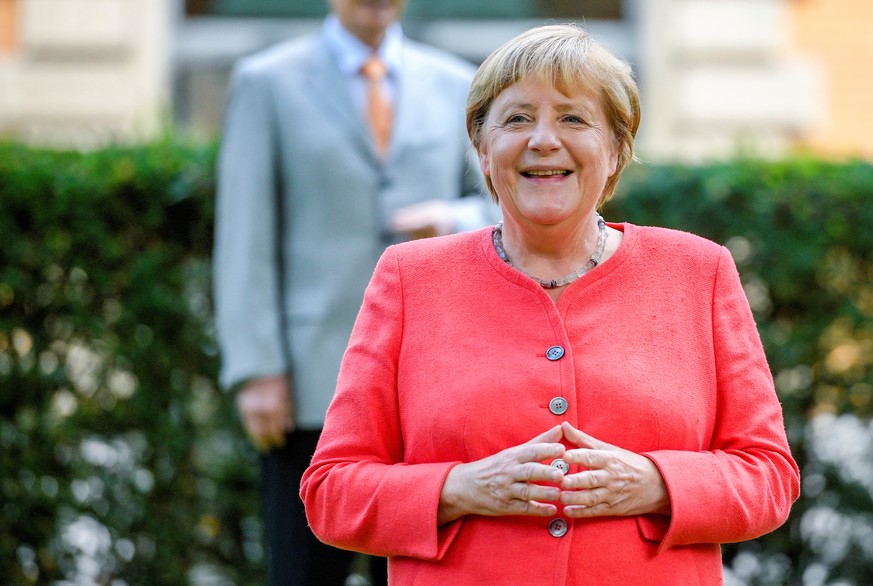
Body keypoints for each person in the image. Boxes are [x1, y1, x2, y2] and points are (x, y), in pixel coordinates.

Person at [300, 23, 801, 584]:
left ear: (616, 151)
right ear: (483, 151)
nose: (543, 139)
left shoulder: (698, 271)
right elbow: (331, 492)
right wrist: (460, 488)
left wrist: (656, 483)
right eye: (516, 119)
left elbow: (768, 477)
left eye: (573, 118)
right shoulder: (409, 277)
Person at [212, 0, 495, 584]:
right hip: (311, 378)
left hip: (434, 372)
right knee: (304, 570)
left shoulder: (456, 82)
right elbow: (245, 231)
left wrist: (450, 216)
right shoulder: (266, 82)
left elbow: (502, 203)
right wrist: (255, 367)